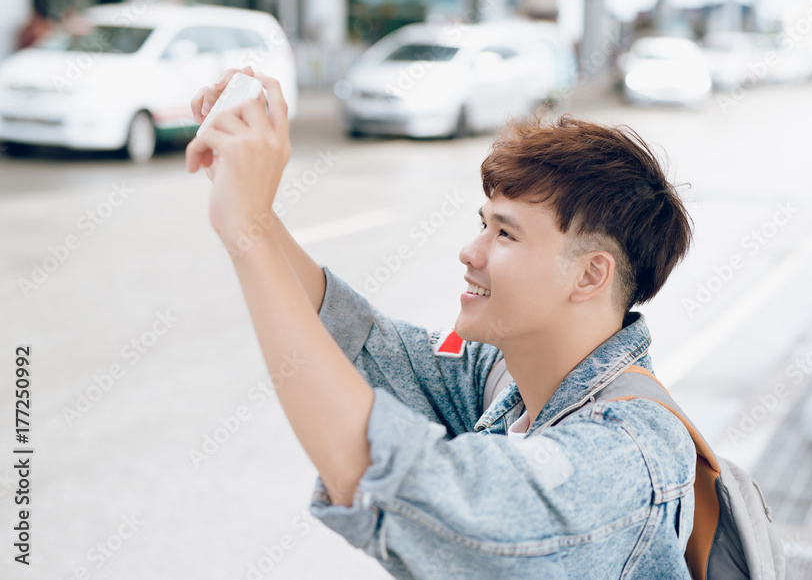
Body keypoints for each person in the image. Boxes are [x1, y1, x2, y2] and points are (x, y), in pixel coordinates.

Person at [187, 67, 698, 579]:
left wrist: (245, 230)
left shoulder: (625, 458)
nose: (469, 252)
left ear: (590, 275)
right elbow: (362, 346)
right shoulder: (507, 377)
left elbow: (378, 474)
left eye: (505, 234)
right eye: (483, 223)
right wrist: (249, 203)